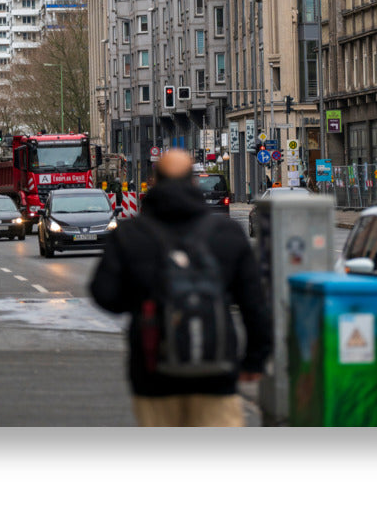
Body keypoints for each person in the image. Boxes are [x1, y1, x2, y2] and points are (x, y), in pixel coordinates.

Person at [90, 148, 271, 427]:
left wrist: (145, 301)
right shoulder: (226, 233)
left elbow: (104, 294)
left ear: (154, 181)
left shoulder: (131, 234)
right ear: (194, 182)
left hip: (153, 374)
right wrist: (254, 361)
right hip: (217, 372)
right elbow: (255, 303)